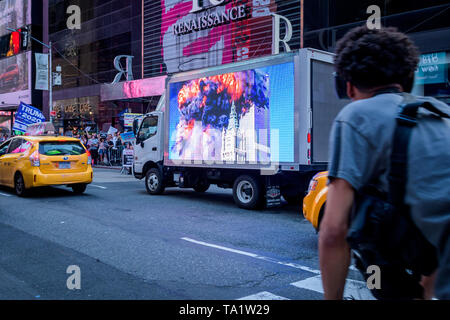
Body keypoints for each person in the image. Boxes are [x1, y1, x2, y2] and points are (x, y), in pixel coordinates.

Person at [319, 26, 450, 300]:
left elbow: (333, 231)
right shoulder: (442, 113)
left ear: (348, 86)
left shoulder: (355, 115)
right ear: (409, 79)